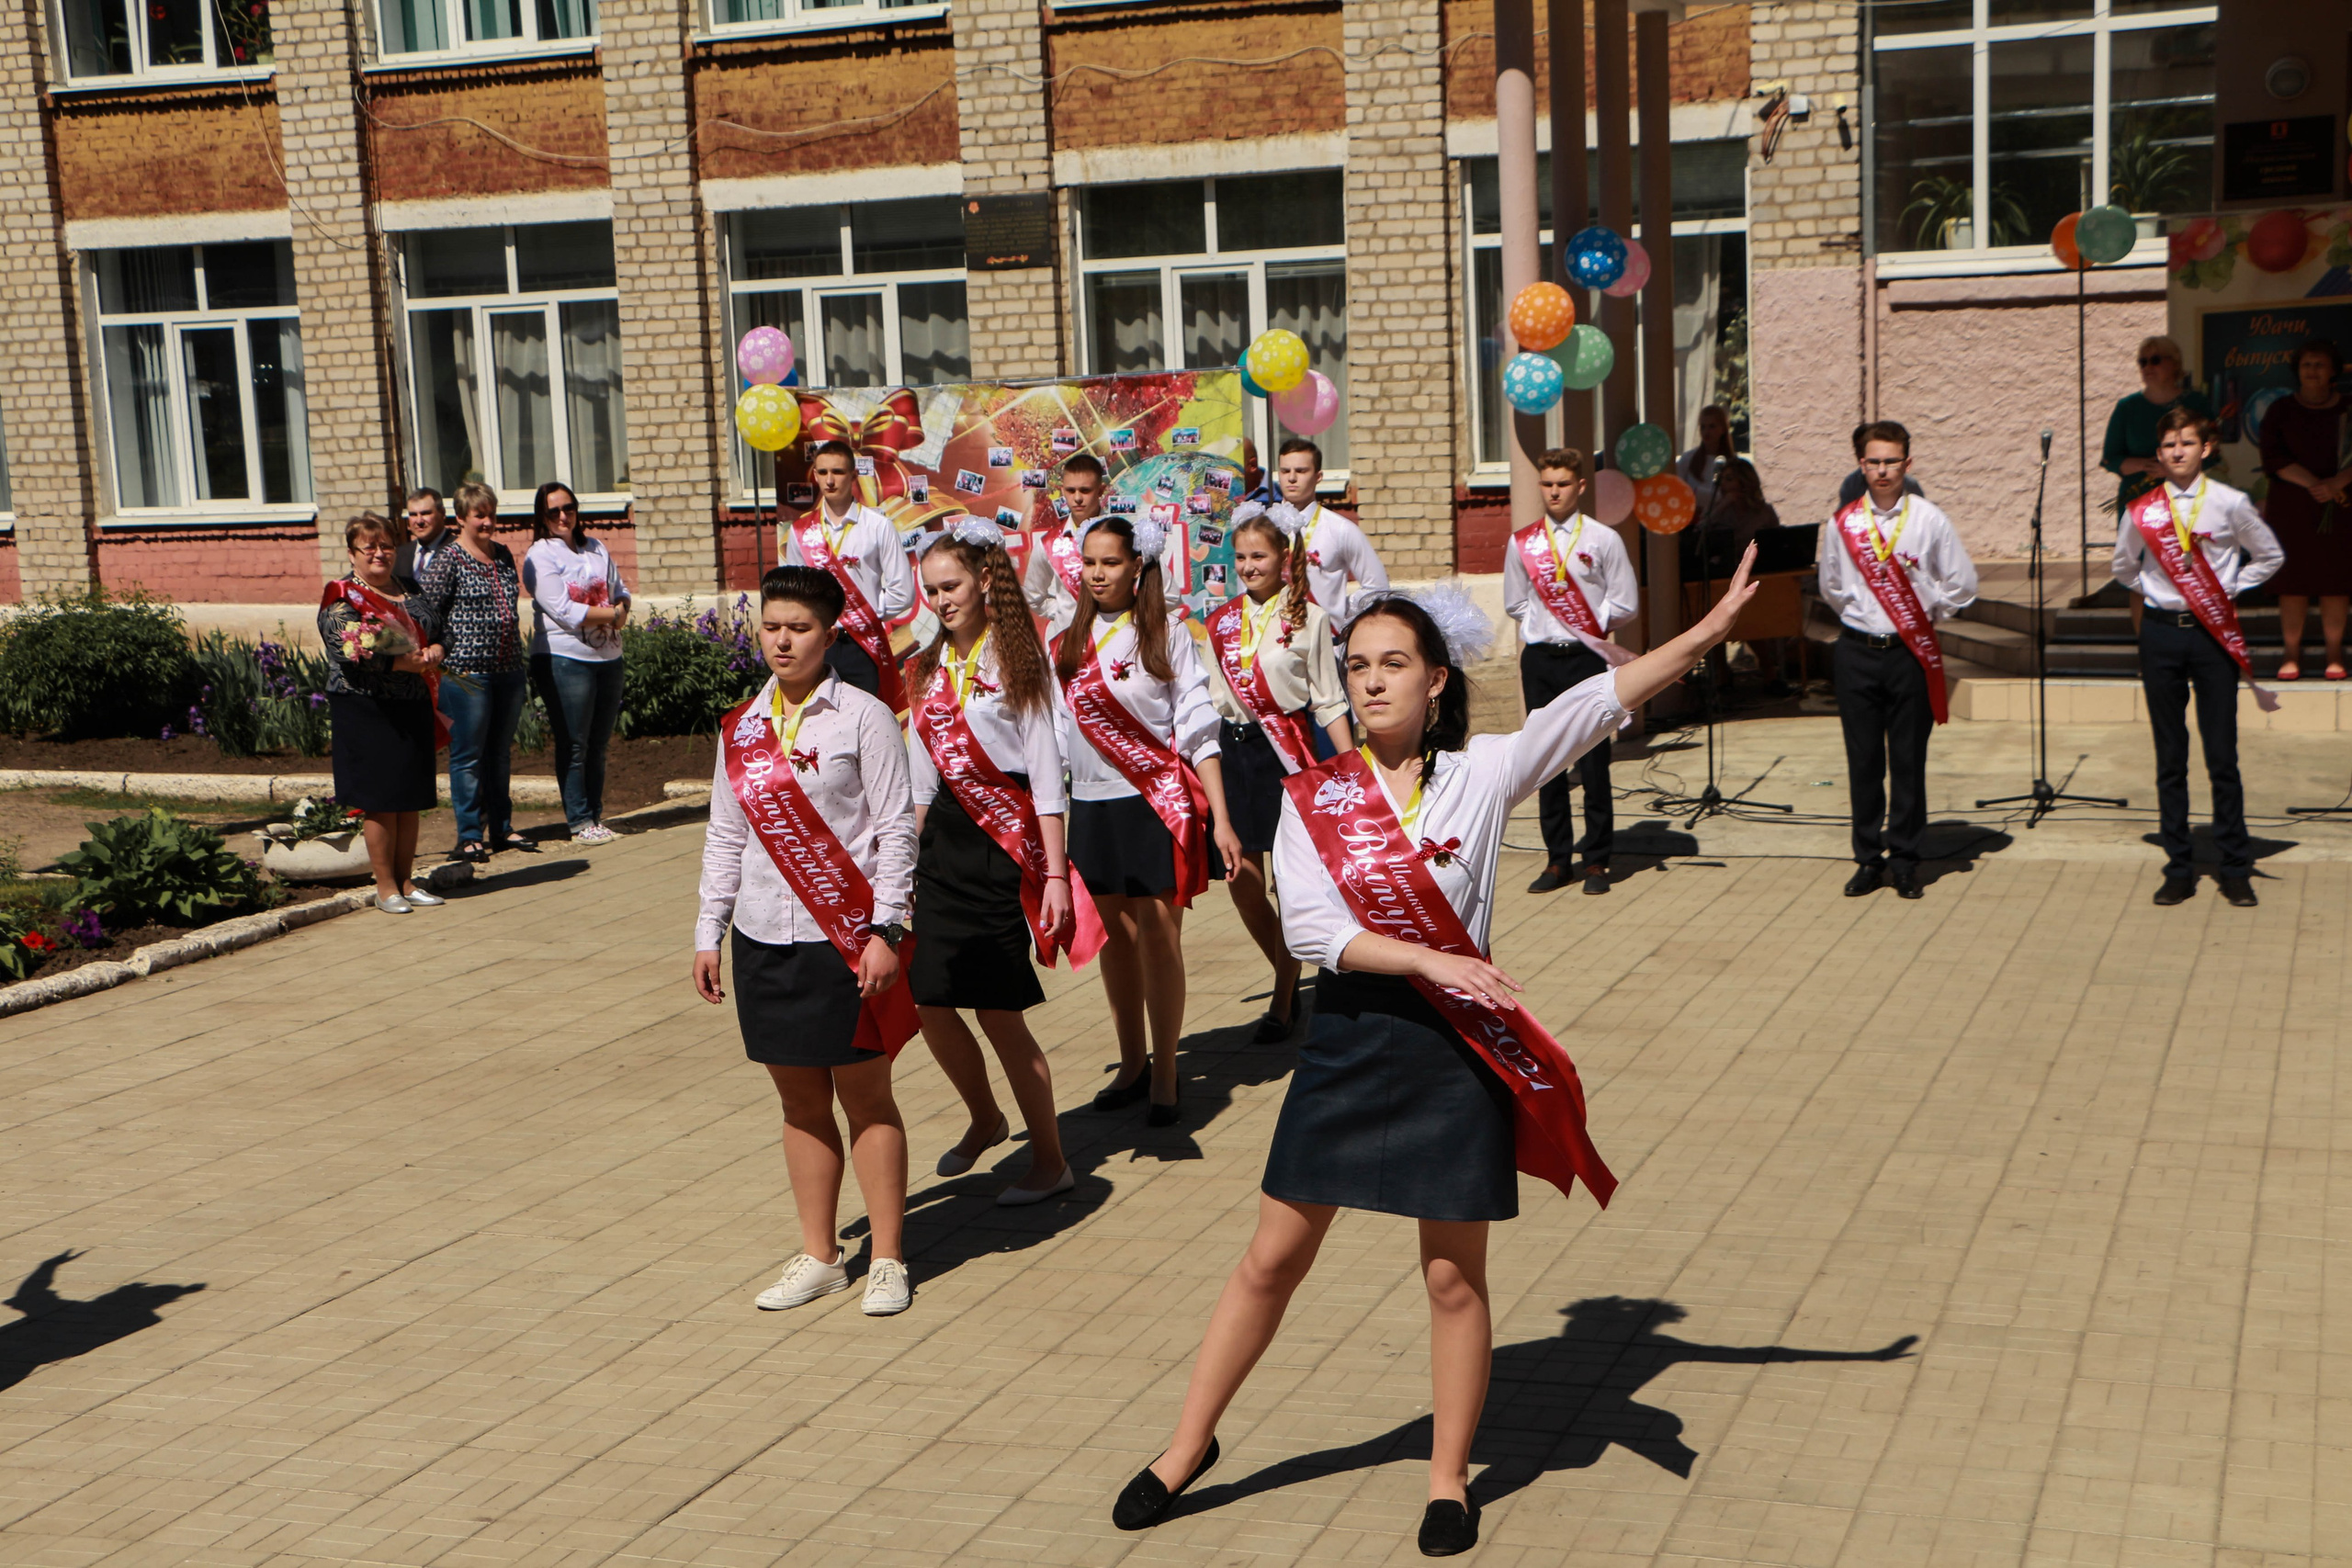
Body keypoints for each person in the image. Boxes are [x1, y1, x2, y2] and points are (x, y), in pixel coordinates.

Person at [1108, 556, 1766, 1558]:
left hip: (1455, 1053)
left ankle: (1449, 1479)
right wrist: (1428, 957)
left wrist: (1702, 633)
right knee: (1270, 1261)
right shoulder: (1310, 797)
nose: (1373, 681)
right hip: (1351, 1040)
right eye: (1359, 664)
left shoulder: (1484, 772)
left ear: (1436, 681)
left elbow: (1597, 701)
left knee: (1453, 1281)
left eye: (1395, 663)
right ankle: (1186, 1446)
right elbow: (1314, 937)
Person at [692, 565, 921, 1317]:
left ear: (830, 634)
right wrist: (707, 931)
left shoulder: (864, 716)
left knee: (865, 1095)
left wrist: (887, 929)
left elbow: (894, 830)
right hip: (763, 936)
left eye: (798, 627)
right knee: (798, 1102)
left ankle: (887, 1256)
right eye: (771, 626)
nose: (782, 640)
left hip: (847, 939)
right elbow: (726, 836)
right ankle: (820, 1253)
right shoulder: (741, 728)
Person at [905, 519, 1087, 1205]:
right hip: (943, 843)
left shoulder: (1019, 659)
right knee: (927, 998)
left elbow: (1046, 778)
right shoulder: (926, 668)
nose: (939, 600)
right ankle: (984, 1115)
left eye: (949, 585)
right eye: (929, 589)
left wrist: (1057, 875)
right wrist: (903, 867)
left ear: (985, 580)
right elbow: (921, 785)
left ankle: (1051, 1159)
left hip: (1004, 846)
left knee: (1000, 1012)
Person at [1054, 514, 1243, 1128]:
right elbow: (1056, 734)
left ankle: (1166, 1069)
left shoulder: (1164, 633)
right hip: (1093, 804)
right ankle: (1131, 1061)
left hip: (1154, 802)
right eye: (1090, 563)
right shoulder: (1068, 638)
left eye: (1110, 562)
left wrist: (1221, 819)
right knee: (1117, 940)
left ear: (1139, 566)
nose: (1098, 574)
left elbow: (1195, 725)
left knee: (1161, 938)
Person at [2113, 407, 2283, 908]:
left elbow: (2269, 556)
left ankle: (2235, 866)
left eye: (2186, 443)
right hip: (2162, 634)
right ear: (2159, 454)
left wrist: (2230, 586)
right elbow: (2123, 568)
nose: (2177, 452)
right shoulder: (2142, 508)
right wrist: (2157, 593)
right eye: (2168, 446)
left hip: (2213, 636)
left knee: (2221, 754)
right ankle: (2179, 867)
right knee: (2170, 755)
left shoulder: (2230, 502)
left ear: (2205, 448)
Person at [1203, 501, 1352, 1042]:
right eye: (1240, 557)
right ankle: (1285, 975)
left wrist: (1349, 769)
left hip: (1283, 755)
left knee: (1286, 886)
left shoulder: (1310, 619)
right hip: (1232, 752)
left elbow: (1329, 702)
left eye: (1258, 556)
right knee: (1241, 879)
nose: (1247, 567)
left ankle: (1282, 1000)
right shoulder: (1219, 623)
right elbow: (1211, 702)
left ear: (1284, 557)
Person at [1816, 421, 1978, 900]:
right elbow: (1832, 587)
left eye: (1891, 461)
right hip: (1857, 651)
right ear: (1860, 465)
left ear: (1908, 464)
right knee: (1863, 761)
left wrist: (1926, 606)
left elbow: (1962, 584)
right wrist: (1869, 614)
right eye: (1874, 461)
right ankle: (1868, 859)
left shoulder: (1930, 520)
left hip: (1909, 653)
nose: (1883, 470)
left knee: (1908, 759)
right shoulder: (1842, 522)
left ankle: (1906, 860)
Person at [1503, 446, 1638, 897]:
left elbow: (1625, 602)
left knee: (1594, 758)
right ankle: (1557, 860)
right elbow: (1515, 601)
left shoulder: (1603, 539)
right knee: (1546, 759)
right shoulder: (1523, 542)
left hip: (1586, 658)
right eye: (1547, 484)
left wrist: (1588, 626)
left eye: (1563, 484)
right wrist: (1545, 625)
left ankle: (1598, 860)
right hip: (1541, 659)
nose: (1554, 492)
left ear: (1580, 486)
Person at [320, 513, 447, 914]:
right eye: (369, 547)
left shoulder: (409, 587)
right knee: (381, 799)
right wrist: (399, 664)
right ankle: (385, 887)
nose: (379, 553)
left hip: (411, 701)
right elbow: (348, 650)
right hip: (366, 706)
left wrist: (436, 651)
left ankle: (407, 882)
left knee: (409, 796)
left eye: (386, 546)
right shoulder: (341, 595)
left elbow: (439, 628)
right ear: (352, 553)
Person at [415, 481, 534, 864]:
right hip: (467, 673)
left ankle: (501, 827)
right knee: (467, 757)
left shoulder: (501, 554)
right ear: (462, 518)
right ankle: (469, 835)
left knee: (499, 754)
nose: (487, 522)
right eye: (479, 515)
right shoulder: (449, 558)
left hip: (508, 669)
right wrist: (439, 646)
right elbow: (426, 611)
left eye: (491, 514)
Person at [524, 481, 631, 846]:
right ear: (542, 516)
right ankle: (579, 821)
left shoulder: (595, 547)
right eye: (553, 511)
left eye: (568, 508)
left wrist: (622, 609)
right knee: (574, 744)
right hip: (564, 658)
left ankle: (596, 815)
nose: (563, 516)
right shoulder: (540, 555)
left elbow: (622, 589)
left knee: (599, 743)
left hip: (608, 656)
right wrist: (612, 613)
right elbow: (565, 611)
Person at [782, 440, 917, 710]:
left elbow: (903, 592)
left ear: (853, 475)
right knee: (818, 718)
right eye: (822, 472)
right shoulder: (801, 532)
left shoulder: (879, 527)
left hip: (864, 645)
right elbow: (796, 596)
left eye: (838, 472)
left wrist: (868, 616)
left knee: (868, 718)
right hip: (818, 644)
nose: (829, 481)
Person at [2258, 337, 2352, 681]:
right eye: (2306, 365)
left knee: (2335, 584)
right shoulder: (2280, 410)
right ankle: (2291, 655)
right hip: (2293, 509)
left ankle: (2333, 654)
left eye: (2319, 364)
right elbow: (2273, 458)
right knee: (2293, 584)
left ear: (2333, 372)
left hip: (2341, 507)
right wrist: (2317, 483)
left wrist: (2339, 481)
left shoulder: (2349, 408)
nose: (2312, 370)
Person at [2101, 334, 2216, 519]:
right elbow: (2110, 458)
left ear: (2174, 363)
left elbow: (2212, 452)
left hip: (2186, 499)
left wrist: (2173, 469)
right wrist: (2143, 465)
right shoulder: (2127, 407)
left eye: (2155, 360)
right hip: (2138, 502)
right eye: (2143, 362)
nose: (2148, 367)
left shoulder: (2195, 403)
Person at [1274, 438, 1388, 619]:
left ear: (1318, 477)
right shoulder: (1265, 527)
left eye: (1301, 471)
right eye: (1285, 471)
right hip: (1274, 640)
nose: (1292, 478)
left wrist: (1342, 609)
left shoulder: (1340, 529)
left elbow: (1378, 587)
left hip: (1326, 641)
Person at [1022, 453, 1106, 643]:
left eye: (1085, 491)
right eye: (1070, 490)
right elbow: (1033, 596)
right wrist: (1063, 612)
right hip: (1069, 645)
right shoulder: (1049, 543)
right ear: (1062, 491)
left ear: (1101, 490)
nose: (1077, 498)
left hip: (1115, 642)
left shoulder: (1125, 538)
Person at [1835, 423, 1927, 511]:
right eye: (1857, 448)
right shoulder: (1851, 483)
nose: (1882, 471)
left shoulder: (1910, 484)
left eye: (1890, 462)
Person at [1677, 403, 1737, 517]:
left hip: (1723, 524)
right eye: (1703, 427)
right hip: (1692, 523)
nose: (1706, 432)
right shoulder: (1688, 459)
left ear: (1723, 429)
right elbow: (1677, 490)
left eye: (1712, 426)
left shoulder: (1734, 463)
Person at [395, 488, 453, 583]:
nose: (419, 521)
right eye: (413, 515)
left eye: (425, 513)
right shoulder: (399, 555)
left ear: (442, 513)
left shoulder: (459, 551)